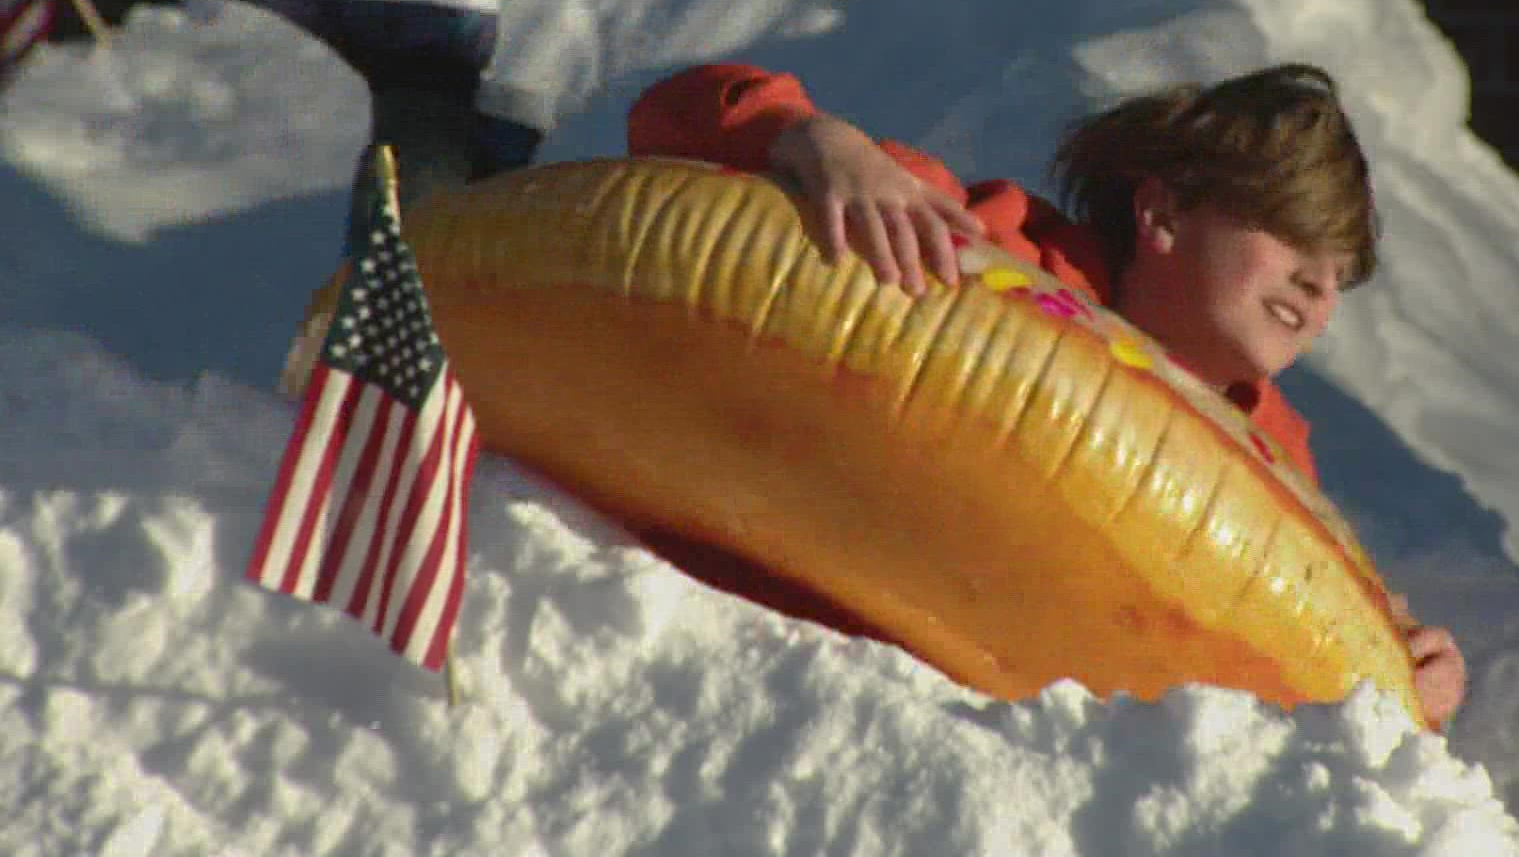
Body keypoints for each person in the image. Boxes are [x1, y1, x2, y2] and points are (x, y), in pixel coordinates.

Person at [626, 61, 1467, 730]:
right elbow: (676, 112)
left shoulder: (1274, 453)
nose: (1316, 289)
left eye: (1337, 277)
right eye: (1292, 237)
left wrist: (1407, 674)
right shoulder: (995, 250)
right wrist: (811, 139)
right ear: (1165, 216)